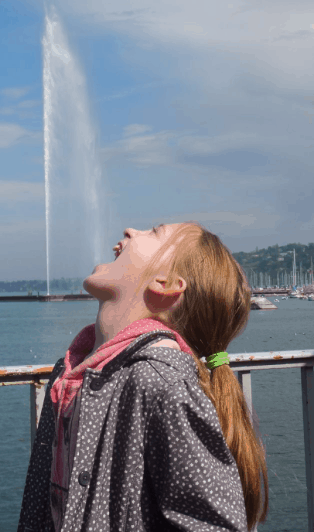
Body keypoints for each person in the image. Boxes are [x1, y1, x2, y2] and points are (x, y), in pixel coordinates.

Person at [17, 222, 269, 532]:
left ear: (165, 285)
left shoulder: (161, 382)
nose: (129, 230)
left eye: (153, 232)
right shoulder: (71, 372)